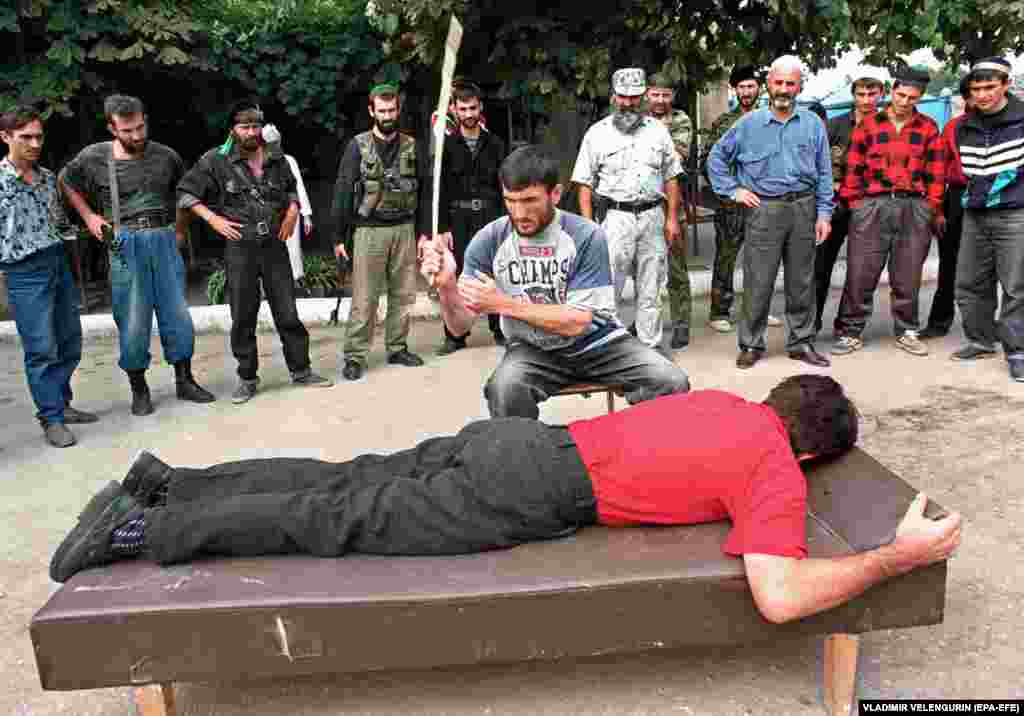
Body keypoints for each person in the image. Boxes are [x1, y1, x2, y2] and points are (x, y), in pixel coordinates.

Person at [49, 374, 963, 627]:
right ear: (810, 451)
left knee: (341, 477)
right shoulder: (773, 463)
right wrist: (897, 558)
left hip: (516, 440)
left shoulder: (723, 399)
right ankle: (143, 528)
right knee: (335, 522)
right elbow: (780, 598)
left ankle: (166, 483)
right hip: (535, 484)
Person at [421, 145, 689, 419]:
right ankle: (526, 457)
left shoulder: (586, 235)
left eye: (529, 201)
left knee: (671, 380)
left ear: (556, 194)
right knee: (504, 390)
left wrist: (502, 304)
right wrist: (447, 286)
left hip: (599, 344)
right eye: (510, 200)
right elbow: (459, 325)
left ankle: (635, 447)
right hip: (533, 351)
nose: (519, 213)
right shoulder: (490, 239)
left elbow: (578, 322)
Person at [61, 95, 214, 415]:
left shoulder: (167, 156)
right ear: (111, 128)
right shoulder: (93, 157)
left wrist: (180, 232)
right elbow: (65, 181)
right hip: (124, 241)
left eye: (141, 127)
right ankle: (138, 388)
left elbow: (185, 194)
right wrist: (89, 217)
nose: (136, 136)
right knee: (132, 320)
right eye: (128, 131)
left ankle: (184, 380)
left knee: (178, 315)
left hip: (163, 237)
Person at [177, 99, 332, 403]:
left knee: (288, 311)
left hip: (274, 244)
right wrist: (214, 219)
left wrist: (292, 212)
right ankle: (247, 377)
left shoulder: (276, 157)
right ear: (233, 129)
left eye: (255, 126)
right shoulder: (216, 160)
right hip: (240, 247)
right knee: (243, 316)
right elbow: (186, 192)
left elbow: (291, 189)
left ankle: (301, 370)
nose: (251, 132)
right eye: (244, 127)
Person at [707, 56, 834, 370]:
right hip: (764, 209)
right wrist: (734, 190)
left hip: (803, 208)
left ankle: (801, 342)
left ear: (799, 87)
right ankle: (751, 343)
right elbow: (716, 158)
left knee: (802, 280)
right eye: (778, 82)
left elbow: (824, 173)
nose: (784, 89)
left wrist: (824, 214)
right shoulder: (748, 124)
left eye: (790, 83)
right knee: (758, 280)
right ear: (769, 85)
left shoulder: (812, 124)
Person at [1, 106, 97, 447]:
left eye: (38, 136)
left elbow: (56, 220)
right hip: (23, 271)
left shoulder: (45, 178)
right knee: (41, 348)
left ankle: (62, 403)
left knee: (69, 340)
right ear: (6, 137)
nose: (34, 143)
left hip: (56, 261)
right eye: (25, 137)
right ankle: (51, 418)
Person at [832, 67, 945, 358]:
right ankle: (851, 331)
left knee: (907, 271)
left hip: (913, 205)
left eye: (912, 97)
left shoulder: (928, 128)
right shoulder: (868, 125)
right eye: (900, 94)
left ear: (919, 97)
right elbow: (853, 167)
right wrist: (855, 203)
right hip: (872, 205)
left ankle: (907, 330)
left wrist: (930, 207)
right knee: (860, 270)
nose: (905, 101)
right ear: (892, 91)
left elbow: (936, 173)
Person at [572, 68, 684, 351]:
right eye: (623, 96)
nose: (629, 103)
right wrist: (589, 228)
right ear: (614, 97)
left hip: (652, 217)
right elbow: (584, 184)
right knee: (609, 288)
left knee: (652, 288)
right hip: (615, 219)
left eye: (635, 97)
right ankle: (610, 348)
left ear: (643, 97)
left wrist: (671, 219)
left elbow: (671, 176)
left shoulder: (659, 132)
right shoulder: (596, 134)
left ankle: (651, 348)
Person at [331, 83, 428, 381]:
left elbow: (424, 190)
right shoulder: (357, 146)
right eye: (382, 110)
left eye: (392, 109)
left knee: (403, 294)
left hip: (404, 228)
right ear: (372, 111)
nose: (387, 115)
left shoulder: (413, 146)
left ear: (398, 110)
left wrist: (423, 233)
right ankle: (355, 355)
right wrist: (338, 237)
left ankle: (397, 347)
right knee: (365, 296)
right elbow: (344, 191)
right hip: (369, 231)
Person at [952, 57, 1024, 382]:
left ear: (1006, 85)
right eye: (976, 89)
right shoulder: (964, 125)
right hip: (975, 214)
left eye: (990, 87)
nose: (982, 95)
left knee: (1016, 285)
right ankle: (981, 340)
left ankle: (1017, 350)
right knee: (969, 282)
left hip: (1014, 213)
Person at [703, 65, 783, 334]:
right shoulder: (724, 123)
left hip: (765, 202)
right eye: (741, 87)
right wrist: (727, 191)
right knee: (726, 258)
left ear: (759, 88)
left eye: (751, 86)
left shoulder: (771, 118)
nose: (746, 92)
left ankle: (759, 309)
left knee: (763, 258)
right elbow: (710, 162)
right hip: (732, 204)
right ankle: (720, 311)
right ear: (734, 90)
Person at [434, 80, 507, 355]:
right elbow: (437, 190)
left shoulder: (496, 144)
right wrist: (442, 227)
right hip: (459, 218)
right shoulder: (447, 147)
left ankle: (500, 328)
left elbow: (505, 186)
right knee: (456, 275)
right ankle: (455, 335)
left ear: (480, 108)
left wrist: (507, 222)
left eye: (472, 108)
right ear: (453, 109)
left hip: (491, 216)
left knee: (496, 271)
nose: (468, 113)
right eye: (462, 108)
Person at [815, 67, 886, 335]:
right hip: (833, 206)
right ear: (853, 95)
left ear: (881, 94)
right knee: (819, 267)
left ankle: (846, 326)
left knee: (859, 271)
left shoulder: (887, 127)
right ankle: (809, 326)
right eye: (861, 94)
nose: (866, 99)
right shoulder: (834, 126)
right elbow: (817, 164)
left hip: (868, 207)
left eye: (872, 93)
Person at [920, 76, 972, 340]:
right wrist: (937, 211)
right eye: (972, 94)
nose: (979, 98)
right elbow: (938, 172)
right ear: (966, 99)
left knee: (998, 266)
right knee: (949, 263)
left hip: (999, 201)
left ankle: (987, 326)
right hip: (957, 197)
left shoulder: (1010, 125)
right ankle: (939, 321)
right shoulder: (953, 127)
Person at [646, 73, 694, 349]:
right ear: (647, 95)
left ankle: (681, 323)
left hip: (671, 206)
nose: (660, 100)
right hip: (641, 206)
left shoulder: (681, 120)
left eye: (666, 95)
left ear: (672, 97)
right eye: (656, 94)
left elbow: (677, 157)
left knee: (676, 269)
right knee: (644, 269)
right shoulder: (634, 120)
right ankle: (644, 321)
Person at [261, 124, 313, 284]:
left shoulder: (289, 160)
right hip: (267, 212)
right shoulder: (256, 162)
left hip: (290, 210)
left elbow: (299, 187)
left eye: (275, 141)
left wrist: (306, 215)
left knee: (292, 247)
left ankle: (296, 280)